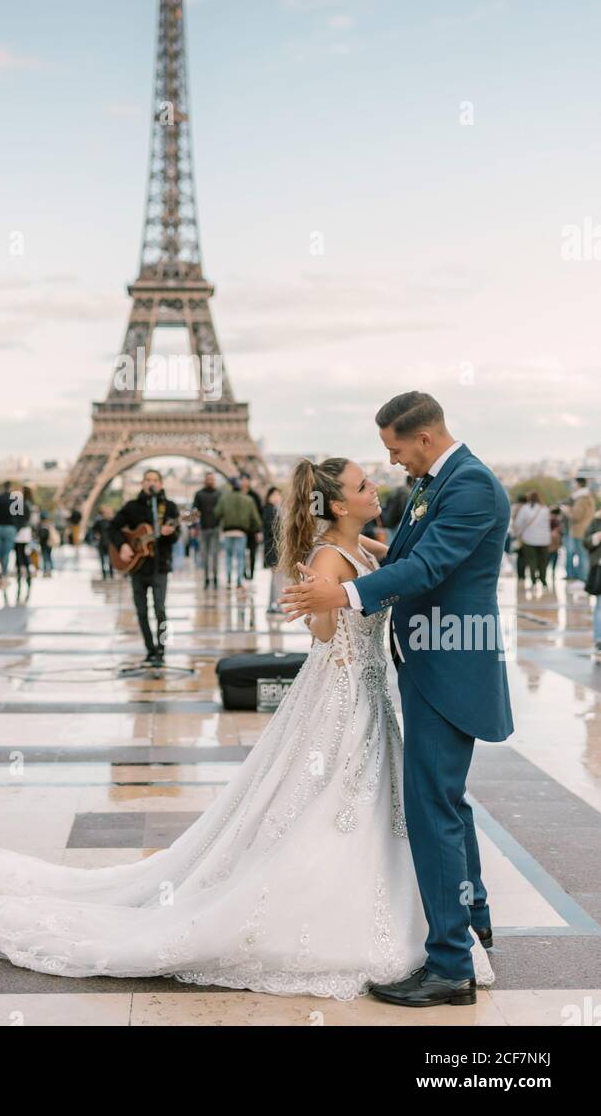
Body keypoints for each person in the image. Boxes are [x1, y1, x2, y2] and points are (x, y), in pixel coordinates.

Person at [0, 421, 496, 1001]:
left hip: (362, 701)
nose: (378, 484)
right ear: (336, 504)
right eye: (363, 485)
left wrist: (352, 584)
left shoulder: (354, 545)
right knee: (348, 804)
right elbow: (331, 630)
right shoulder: (330, 556)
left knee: (365, 805)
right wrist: (331, 600)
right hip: (347, 699)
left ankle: (435, 920)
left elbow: (398, 568)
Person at [281, 391, 510, 1006]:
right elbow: (414, 557)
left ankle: (449, 965)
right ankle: (473, 919)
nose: (394, 463)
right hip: (432, 661)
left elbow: (431, 566)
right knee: (446, 801)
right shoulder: (444, 480)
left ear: (424, 439)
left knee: (432, 807)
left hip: (448, 665)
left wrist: (344, 596)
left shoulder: (470, 486)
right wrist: (360, 557)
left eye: (396, 449)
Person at [109, 469, 179, 666]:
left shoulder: (170, 508)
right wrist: (123, 545)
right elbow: (113, 527)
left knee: (161, 610)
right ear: (142, 483)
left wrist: (168, 533)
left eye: (155, 480)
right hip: (137, 567)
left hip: (160, 566)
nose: (151, 483)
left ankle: (162, 649)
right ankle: (150, 649)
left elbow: (175, 537)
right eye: (147, 479)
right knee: (140, 611)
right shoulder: (132, 507)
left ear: (161, 484)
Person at [215, 477, 261, 590]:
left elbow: (217, 513)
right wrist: (256, 529)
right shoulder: (248, 499)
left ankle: (229, 579)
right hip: (241, 532)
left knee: (229, 556)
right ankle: (239, 581)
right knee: (240, 557)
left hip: (228, 531)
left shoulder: (224, 498)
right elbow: (255, 518)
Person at [513, 490, 551, 588]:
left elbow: (518, 523)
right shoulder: (545, 508)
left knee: (532, 561)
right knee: (543, 562)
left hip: (529, 539)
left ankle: (533, 581)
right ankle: (543, 580)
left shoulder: (525, 509)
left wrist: (518, 533)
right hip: (544, 540)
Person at [191, 471, 221, 589]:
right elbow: (194, 512)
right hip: (203, 528)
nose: (210, 481)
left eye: (212, 479)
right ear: (205, 480)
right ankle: (206, 578)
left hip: (215, 528)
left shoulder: (219, 494)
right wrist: (194, 527)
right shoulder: (199, 494)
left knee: (214, 555)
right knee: (205, 555)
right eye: (209, 479)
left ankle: (215, 578)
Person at [566, 477, 595, 583]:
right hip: (587, 529)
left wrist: (567, 511)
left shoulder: (580, 499)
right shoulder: (589, 497)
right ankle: (586, 578)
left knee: (582, 556)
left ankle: (584, 579)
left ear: (578, 485)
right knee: (584, 556)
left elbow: (576, 516)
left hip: (579, 531)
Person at [0, 482, 18, 583]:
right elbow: (19, 516)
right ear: (11, 488)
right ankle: (4, 574)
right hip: (10, 527)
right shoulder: (15, 499)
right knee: (6, 552)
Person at [582, 503, 601, 658]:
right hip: (599, 568)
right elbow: (586, 542)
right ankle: (599, 639)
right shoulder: (595, 522)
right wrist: (596, 537)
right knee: (600, 606)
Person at [261, 485, 284, 613]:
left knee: (275, 578)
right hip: (274, 549)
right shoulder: (271, 510)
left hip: (272, 548)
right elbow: (275, 531)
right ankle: (278, 605)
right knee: (277, 578)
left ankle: (271, 604)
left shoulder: (272, 509)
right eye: (274, 495)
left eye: (278, 494)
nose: (277, 497)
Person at [90, 505, 115, 580]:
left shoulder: (112, 522)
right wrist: (96, 535)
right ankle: (104, 574)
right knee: (102, 560)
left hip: (110, 543)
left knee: (110, 560)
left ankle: (111, 574)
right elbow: (94, 530)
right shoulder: (99, 522)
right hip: (102, 543)